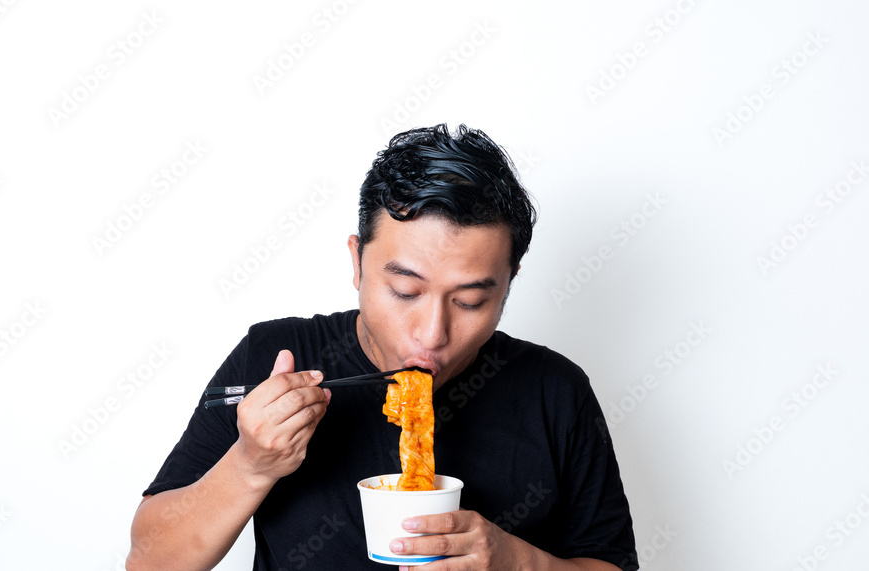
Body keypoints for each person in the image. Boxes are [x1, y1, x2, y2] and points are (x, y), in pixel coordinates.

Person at [126, 124, 638, 571]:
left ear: (508, 282)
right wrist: (250, 464)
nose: (432, 333)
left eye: (470, 300)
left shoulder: (554, 390)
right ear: (357, 261)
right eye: (405, 292)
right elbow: (149, 563)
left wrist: (517, 562)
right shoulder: (276, 355)